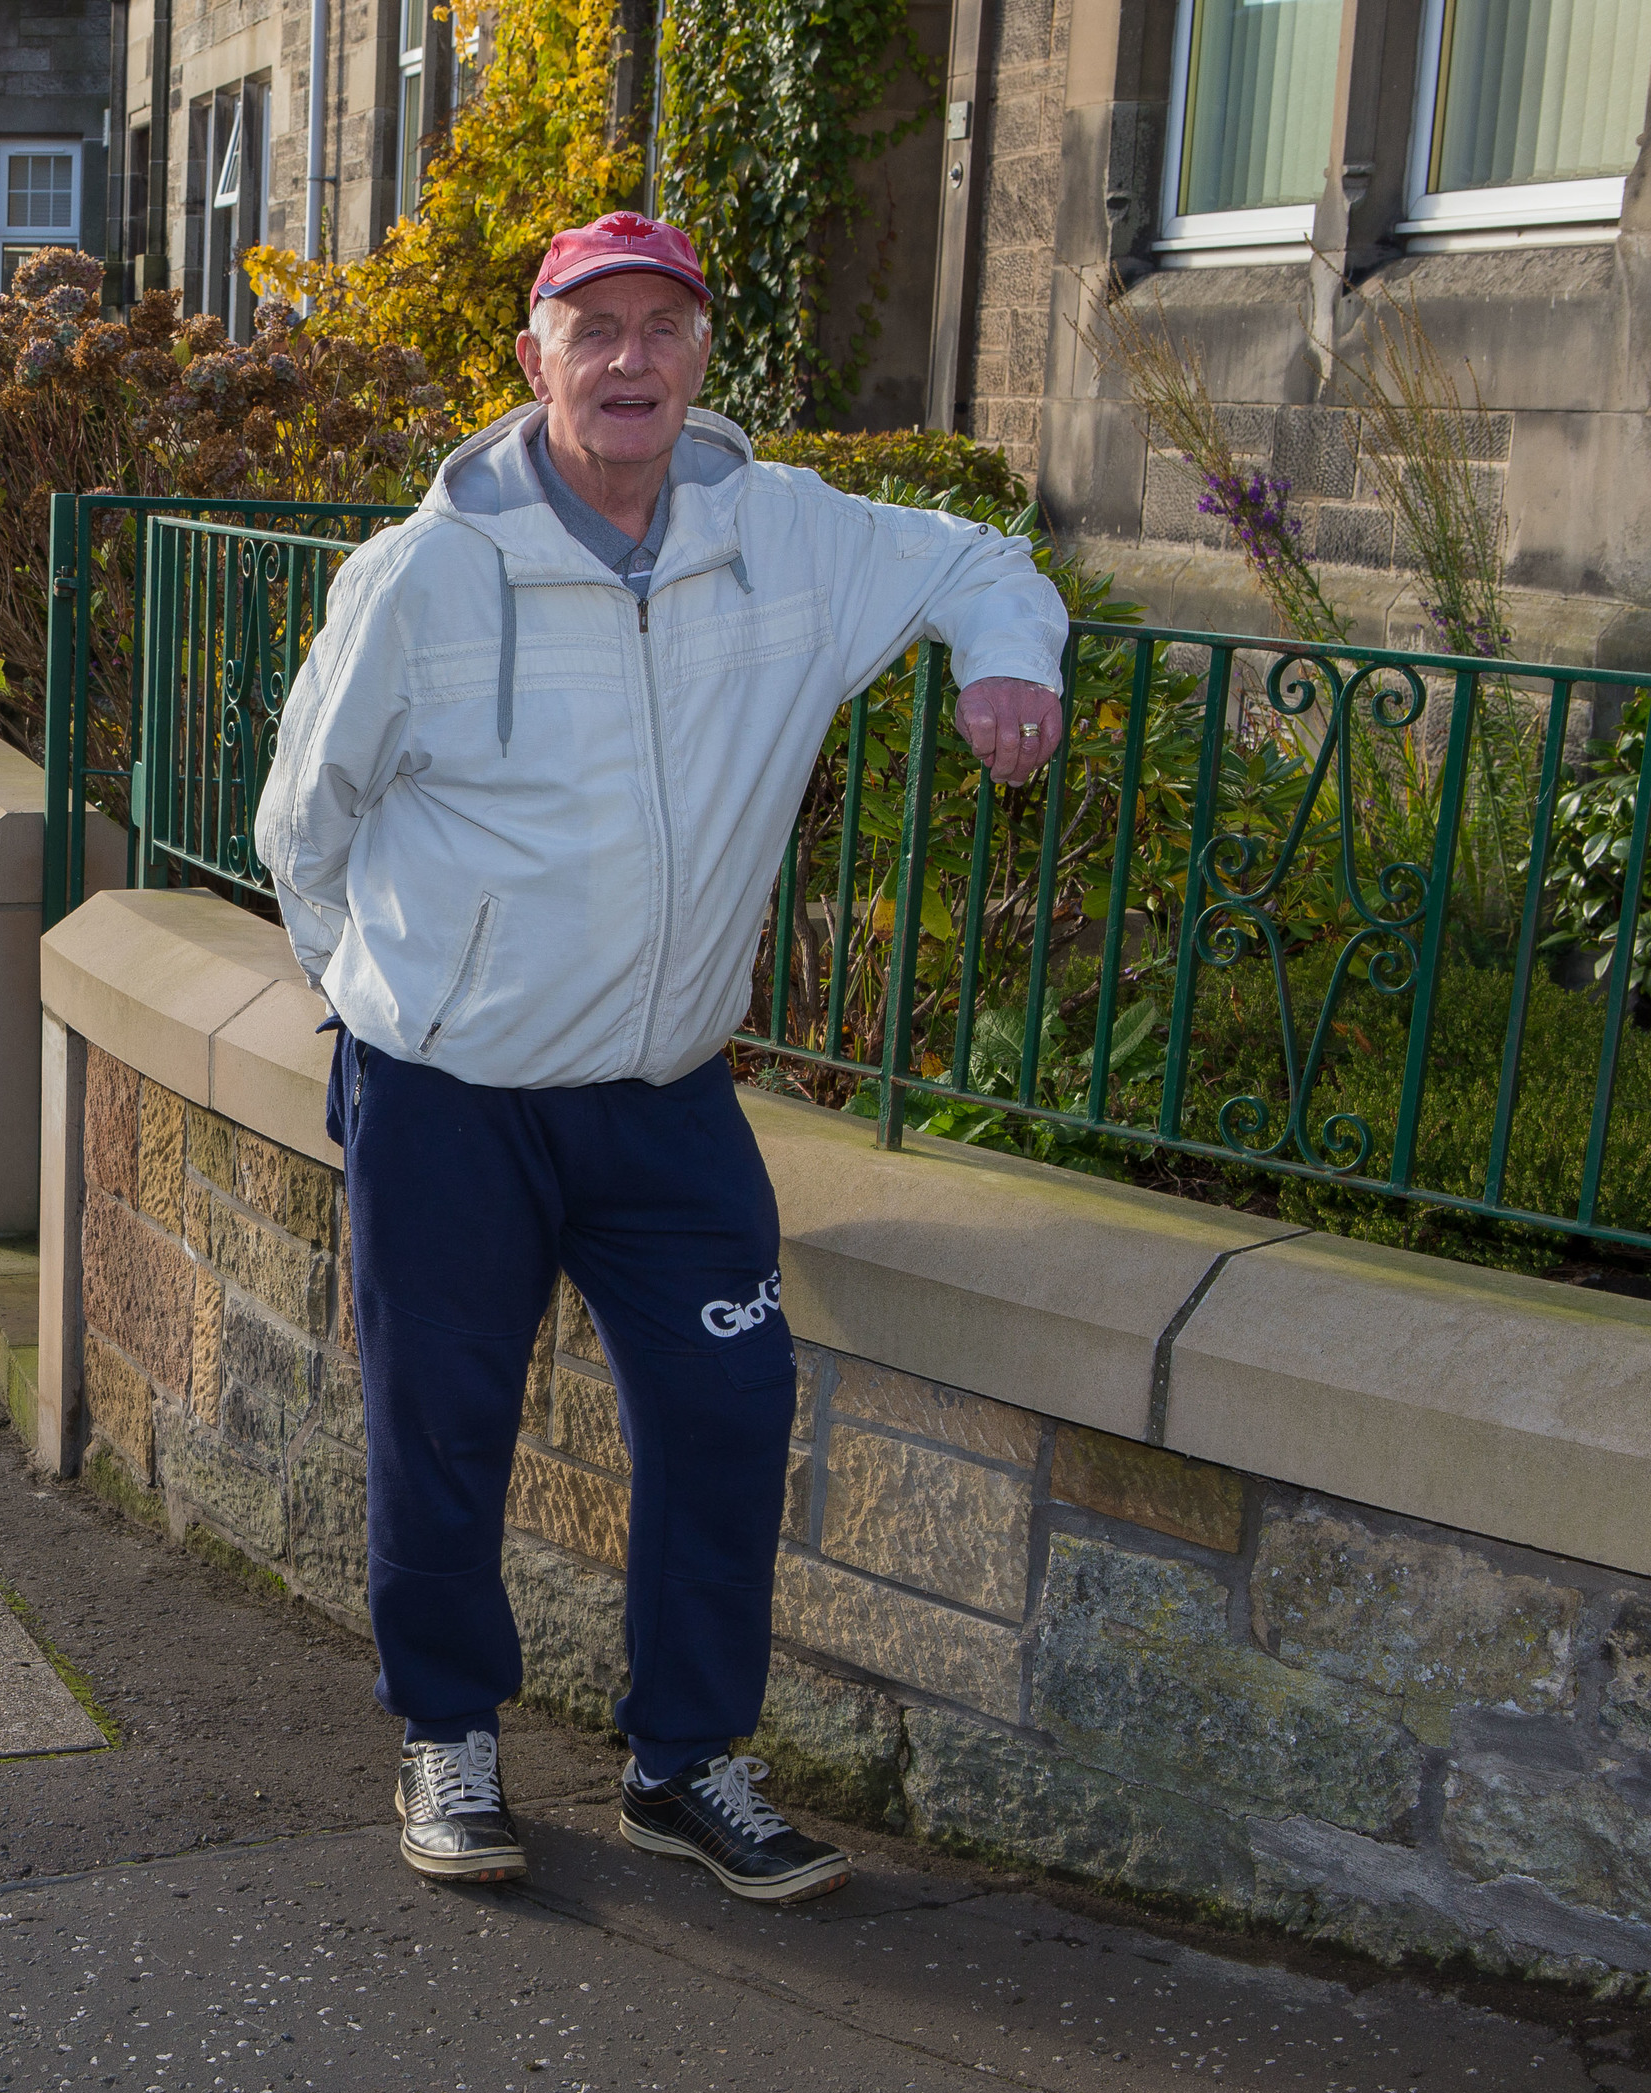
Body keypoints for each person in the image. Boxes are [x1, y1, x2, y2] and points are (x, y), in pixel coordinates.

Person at [253, 210, 1067, 1901]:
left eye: (663, 327)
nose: (631, 359)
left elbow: (983, 561)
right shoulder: (428, 573)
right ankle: (448, 1738)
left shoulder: (784, 536)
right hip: (450, 1098)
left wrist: (1008, 662)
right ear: (535, 358)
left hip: (669, 1100)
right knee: (443, 1427)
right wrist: (389, 1008)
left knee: (724, 1412)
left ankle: (684, 1762)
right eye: (594, 328)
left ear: (703, 356)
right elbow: (303, 819)